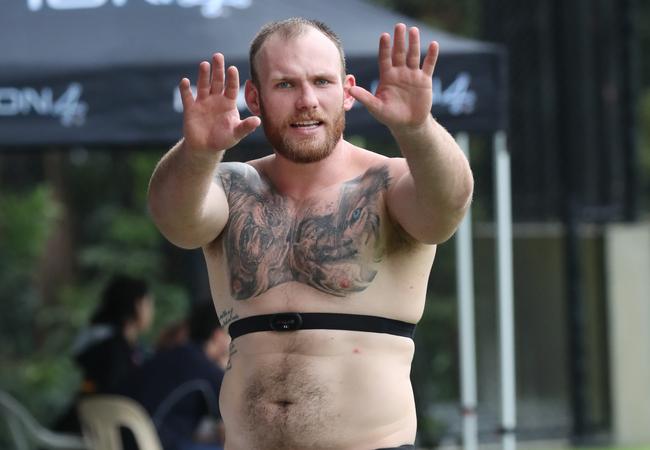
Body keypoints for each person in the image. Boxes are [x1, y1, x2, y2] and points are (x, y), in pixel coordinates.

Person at [148, 17, 473, 450]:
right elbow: (177, 222)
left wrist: (416, 129)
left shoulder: (390, 182)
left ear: (347, 91)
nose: (306, 101)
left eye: (322, 81)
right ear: (253, 97)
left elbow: (447, 206)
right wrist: (198, 152)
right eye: (285, 85)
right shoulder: (231, 186)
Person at [119, 300, 229, 450]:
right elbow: (229, 432)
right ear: (218, 335)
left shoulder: (168, 355)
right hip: (153, 444)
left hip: (121, 440)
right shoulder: (207, 370)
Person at [54, 274, 154, 432]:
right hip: (104, 430)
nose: (151, 311)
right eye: (148, 304)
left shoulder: (100, 341)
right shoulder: (112, 349)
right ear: (137, 305)